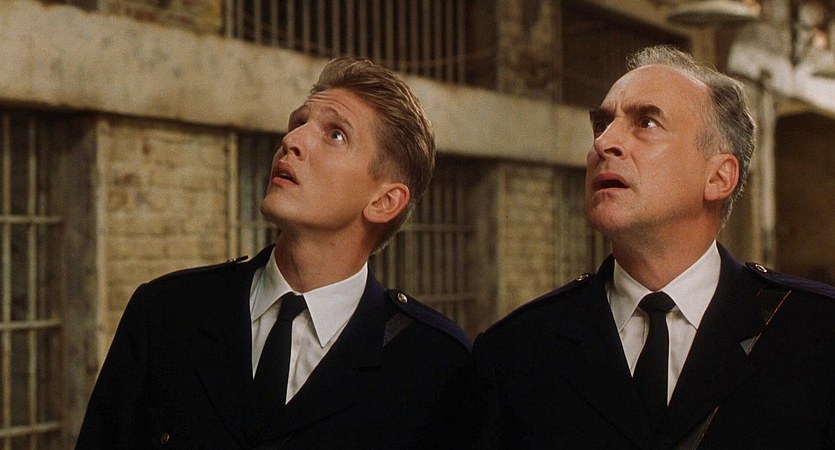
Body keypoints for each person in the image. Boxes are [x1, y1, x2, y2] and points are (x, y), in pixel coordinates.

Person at [76, 57, 471, 449]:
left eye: (335, 135)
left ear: (384, 201)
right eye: (298, 122)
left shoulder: (434, 363)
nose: (292, 141)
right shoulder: (166, 313)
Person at [467, 45, 835, 449]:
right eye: (602, 125)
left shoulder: (816, 333)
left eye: (646, 122)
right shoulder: (517, 352)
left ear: (718, 177)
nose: (604, 143)